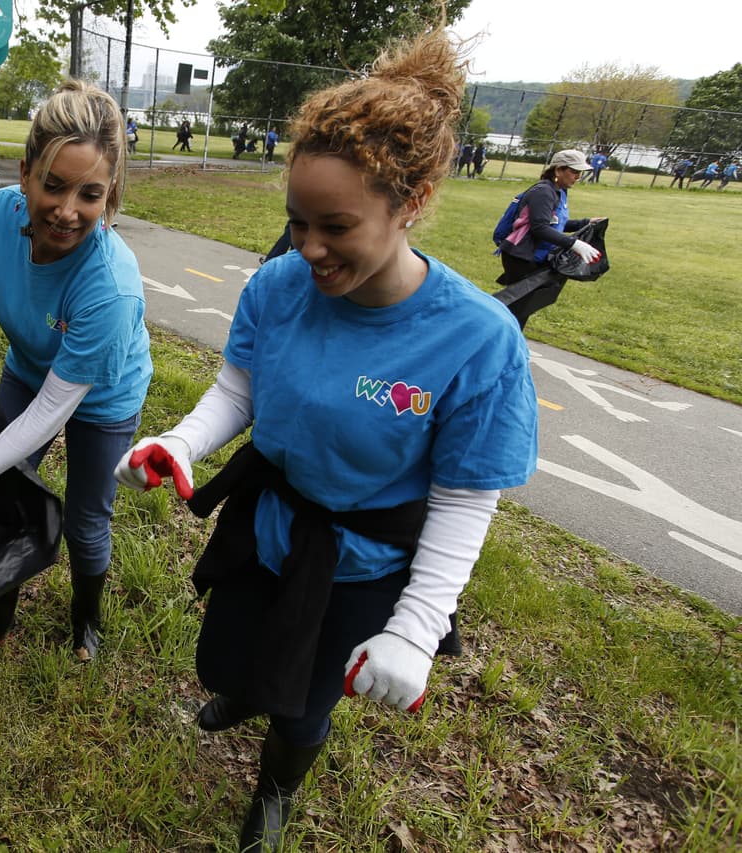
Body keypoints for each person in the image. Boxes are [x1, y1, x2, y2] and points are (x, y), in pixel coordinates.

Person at [114, 29, 538, 852]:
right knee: (226, 656)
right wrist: (182, 440)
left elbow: (462, 497)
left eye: (334, 225)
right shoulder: (281, 282)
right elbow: (240, 385)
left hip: (359, 565)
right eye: (297, 221)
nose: (307, 247)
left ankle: (275, 789)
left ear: (410, 201)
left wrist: (416, 627)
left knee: (306, 702)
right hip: (269, 523)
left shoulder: (478, 340)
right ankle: (244, 692)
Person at [0, 80, 153, 669]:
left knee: (87, 518)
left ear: (109, 192)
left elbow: (48, 416)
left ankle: (86, 616)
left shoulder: (110, 285)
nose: (67, 211)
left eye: (90, 194)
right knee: (6, 496)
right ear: (26, 171)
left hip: (102, 396)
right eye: (54, 185)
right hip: (28, 370)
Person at [493, 148, 605, 322]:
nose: (578, 176)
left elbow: (555, 224)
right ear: (558, 170)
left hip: (534, 256)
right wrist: (575, 244)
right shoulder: (544, 192)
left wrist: (585, 222)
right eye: (574, 171)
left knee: (522, 308)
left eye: (580, 172)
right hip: (522, 257)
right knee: (516, 308)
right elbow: (540, 227)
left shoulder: (558, 191)